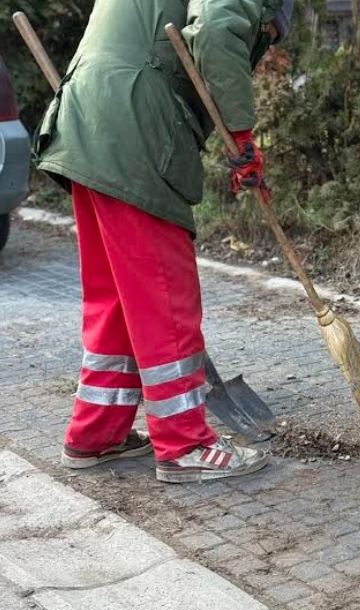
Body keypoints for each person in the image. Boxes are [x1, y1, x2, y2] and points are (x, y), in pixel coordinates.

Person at [34, 0, 294, 483]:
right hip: (134, 130)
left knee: (117, 298)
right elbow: (217, 28)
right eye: (268, 39)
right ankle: (185, 444)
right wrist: (242, 137)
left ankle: (96, 434)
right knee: (163, 295)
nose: (265, 49)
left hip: (86, 122)